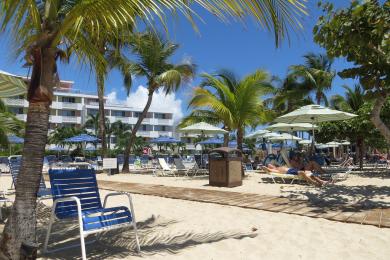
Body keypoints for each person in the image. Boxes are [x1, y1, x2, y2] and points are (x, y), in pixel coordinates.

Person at [263, 163, 329, 187]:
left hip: (293, 169)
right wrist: (264, 167)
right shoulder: (276, 170)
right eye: (269, 166)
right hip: (290, 172)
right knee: (302, 173)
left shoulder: (279, 166)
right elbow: (268, 170)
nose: (270, 166)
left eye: (270, 165)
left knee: (309, 173)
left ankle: (321, 181)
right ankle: (313, 182)